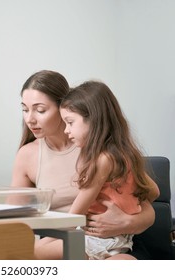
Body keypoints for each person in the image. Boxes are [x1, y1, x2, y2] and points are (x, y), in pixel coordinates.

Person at [11, 70, 157, 259]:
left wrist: (126, 222)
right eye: (24, 109)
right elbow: (14, 221)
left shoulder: (99, 150)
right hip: (66, 242)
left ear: (64, 105)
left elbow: (149, 199)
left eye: (40, 110)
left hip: (111, 242)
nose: (30, 119)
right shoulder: (27, 155)